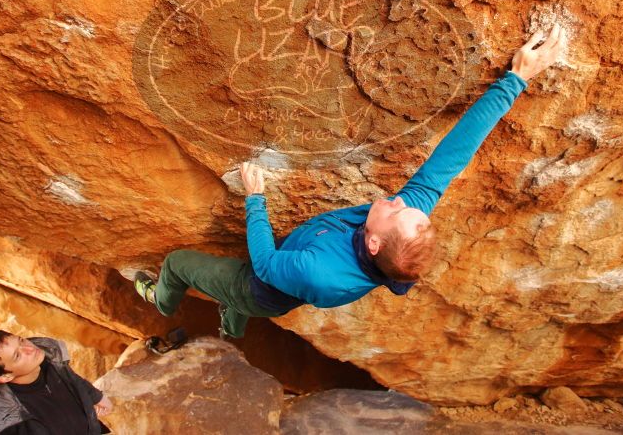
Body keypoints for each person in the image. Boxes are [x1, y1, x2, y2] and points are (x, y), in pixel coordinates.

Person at [135, 25, 564, 338]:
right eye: (407, 207)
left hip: (258, 286)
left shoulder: (321, 273)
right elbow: (453, 155)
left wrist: (256, 198)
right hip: (288, 275)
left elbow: (265, 264)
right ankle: (231, 329)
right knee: (239, 304)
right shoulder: (399, 233)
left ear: (374, 243)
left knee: (179, 264)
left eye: (394, 210)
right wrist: (515, 80)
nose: (398, 200)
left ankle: (162, 301)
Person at [0, 330, 112, 435]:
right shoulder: (3, 419)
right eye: (17, 356)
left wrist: (96, 397)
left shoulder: (50, 361)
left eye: (21, 341)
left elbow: (72, 379)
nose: (30, 349)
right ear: (5, 377)